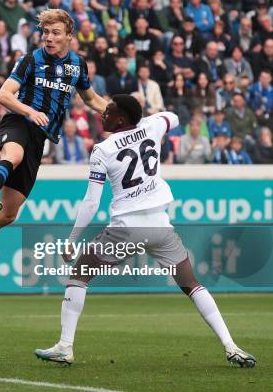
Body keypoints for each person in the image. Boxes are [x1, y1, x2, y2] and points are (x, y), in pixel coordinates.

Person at [33, 94, 256, 368]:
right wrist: (152, 121)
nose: (102, 114)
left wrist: (71, 239)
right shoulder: (152, 126)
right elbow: (173, 117)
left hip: (127, 227)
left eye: (108, 112)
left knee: (79, 274)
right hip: (161, 226)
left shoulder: (102, 149)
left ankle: (65, 346)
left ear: (121, 119)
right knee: (192, 284)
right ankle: (231, 346)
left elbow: (91, 202)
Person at [0, 9, 108, 290]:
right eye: (45, 33)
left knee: (8, 214)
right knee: (12, 156)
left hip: (40, 137)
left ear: (68, 35)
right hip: (18, 122)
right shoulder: (31, 60)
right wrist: (29, 111)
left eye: (55, 33)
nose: (49, 38)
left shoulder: (78, 65)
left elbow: (90, 98)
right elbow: (4, 95)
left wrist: (124, 114)